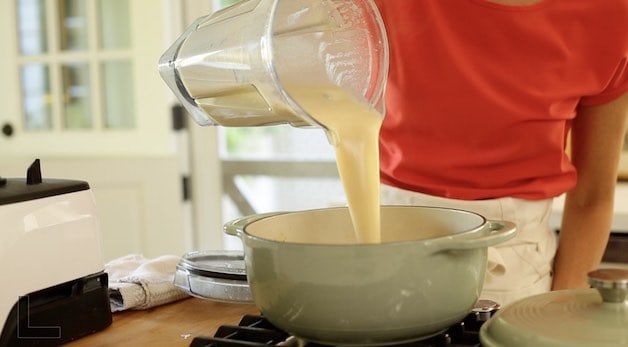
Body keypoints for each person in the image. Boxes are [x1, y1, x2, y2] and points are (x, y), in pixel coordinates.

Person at [373, 0, 628, 305]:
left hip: (518, 280)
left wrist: (559, 310)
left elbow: (592, 197)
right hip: (383, 254)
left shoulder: (610, 13)